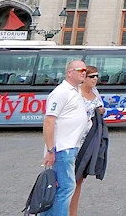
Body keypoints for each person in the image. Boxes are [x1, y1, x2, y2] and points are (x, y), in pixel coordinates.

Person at [42, 60, 90, 216]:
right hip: (62, 148)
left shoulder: (75, 91)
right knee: (66, 187)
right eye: (80, 70)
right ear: (70, 73)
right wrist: (50, 149)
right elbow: (49, 120)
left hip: (71, 146)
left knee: (59, 187)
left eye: (85, 70)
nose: (84, 72)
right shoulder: (61, 92)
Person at [69, 66, 105, 216]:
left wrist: (102, 111)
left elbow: (101, 108)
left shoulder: (95, 92)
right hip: (75, 139)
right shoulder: (76, 93)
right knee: (69, 179)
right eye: (92, 76)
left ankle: (73, 212)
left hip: (90, 139)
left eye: (97, 76)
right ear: (84, 78)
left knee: (79, 179)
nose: (95, 79)